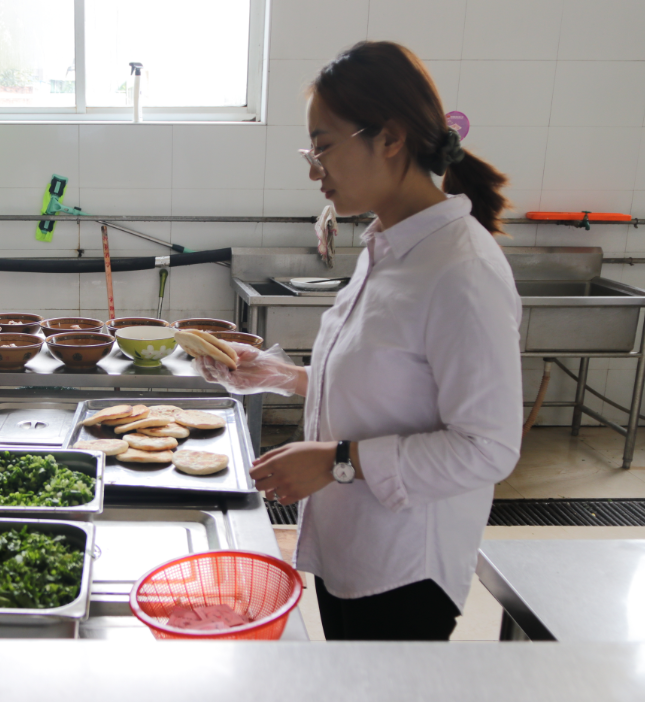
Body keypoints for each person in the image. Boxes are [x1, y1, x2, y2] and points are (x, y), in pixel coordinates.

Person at [195, 42, 522, 640]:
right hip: (349, 547)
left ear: (390, 138)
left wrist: (338, 461)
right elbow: (383, 384)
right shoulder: (387, 247)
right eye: (311, 149)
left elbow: (488, 448)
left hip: (404, 567)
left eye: (323, 147)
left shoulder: (461, 269)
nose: (314, 169)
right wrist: (276, 374)